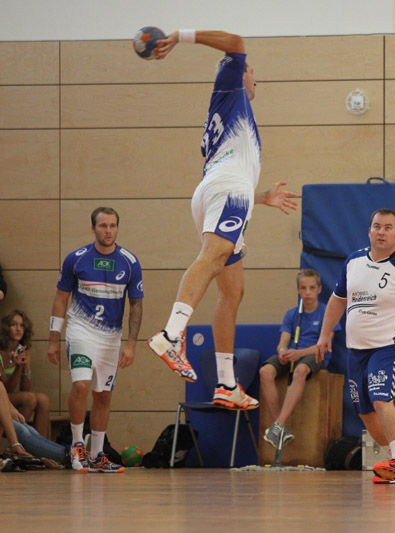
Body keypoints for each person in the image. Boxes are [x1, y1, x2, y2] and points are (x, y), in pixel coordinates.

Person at [146, 29, 298, 411]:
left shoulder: (231, 112)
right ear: (239, 73)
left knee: (232, 291)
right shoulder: (229, 84)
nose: (255, 80)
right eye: (252, 73)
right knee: (212, 259)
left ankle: (227, 383)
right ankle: (171, 335)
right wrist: (178, 37)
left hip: (219, 190)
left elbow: (228, 168)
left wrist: (261, 197)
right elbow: (235, 41)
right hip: (228, 191)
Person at [315, 208, 395, 486]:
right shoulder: (354, 261)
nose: (381, 232)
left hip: (389, 345)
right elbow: (337, 300)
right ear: (369, 231)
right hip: (356, 348)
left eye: (387, 228)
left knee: (381, 399)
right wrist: (324, 334)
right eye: (377, 226)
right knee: (365, 411)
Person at [47, 207, 143, 473]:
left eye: (112, 225)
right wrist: (53, 339)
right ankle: (77, 446)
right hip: (81, 331)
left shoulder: (129, 262)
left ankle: (98, 454)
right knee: (81, 385)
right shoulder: (76, 259)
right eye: (103, 226)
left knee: (103, 395)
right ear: (93, 228)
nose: (108, 231)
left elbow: (136, 305)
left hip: (111, 337)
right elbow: (60, 299)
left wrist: (131, 344)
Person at [260, 269, 339, 447]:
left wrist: (300, 353)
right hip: (293, 355)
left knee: (300, 370)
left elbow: (325, 345)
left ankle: (278, 425)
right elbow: (282, 343)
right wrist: (283, 352)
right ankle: (279, 428)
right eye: (303, 288)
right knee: (265, 371)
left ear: (319, 289)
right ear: (298, 289)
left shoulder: (327, 312)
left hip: (315, 355)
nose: (307, 292)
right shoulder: (291, 314)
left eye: (312, 288)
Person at [0, 310, 50, 438]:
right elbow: (6, 389)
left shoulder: (24, 350)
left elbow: (25, 389)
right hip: (1, 397)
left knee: (43, 399)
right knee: (30, 398)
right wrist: (18, 368)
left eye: (22, 325)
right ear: (6, 328)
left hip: (11, 398)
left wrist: (25, 367)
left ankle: (41, 446)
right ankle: (14, 439)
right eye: (14, 324)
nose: (18, 329)